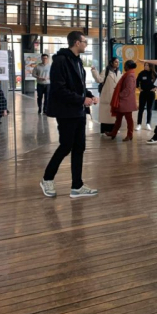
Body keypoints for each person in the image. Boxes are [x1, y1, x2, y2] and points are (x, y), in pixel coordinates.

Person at [41, 31, 99, 199]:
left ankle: (77, 185)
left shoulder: (77, 61)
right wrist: (82, 100)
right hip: (66, 111)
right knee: (66, 146)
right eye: (84, 42)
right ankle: (47, 178)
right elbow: (59, 90)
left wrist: (88, 96)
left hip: (78, 111)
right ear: (76, 43)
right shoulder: (60, 61)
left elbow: (78, 86)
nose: (86, 44)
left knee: (79, 147)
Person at [106, 60, 138, 141]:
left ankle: (130, 135)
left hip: (126, 101)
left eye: (125, 65)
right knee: (119, 118)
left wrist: (119, 95)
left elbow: (128, 89)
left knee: (128, 119)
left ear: (127, 66)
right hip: (124, 101)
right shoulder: (129, 74)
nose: (124, 67)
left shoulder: (130, 75)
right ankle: (114, 133)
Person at [91, 58, 122, 135]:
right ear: (111, 62)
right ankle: (105, 130)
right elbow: (99, 79)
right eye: (115, 62)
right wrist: (94, 71)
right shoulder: (106, 71)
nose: (117, 63)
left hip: (116, 96)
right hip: (107, 95)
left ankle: (114, 130)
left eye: (118, 62)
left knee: (114, 115)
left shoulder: (119, 71)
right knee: (107, 115)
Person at [136, 62, 157, 131]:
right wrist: (139, 88)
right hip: (143, 93)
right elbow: (137, 81)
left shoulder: (154, 74)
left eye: (147, 65)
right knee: (141, 109)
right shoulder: (141, 73)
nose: (145, 66)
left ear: (150, 66)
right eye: (145, 65)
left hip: (151, 93)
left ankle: (148, 123)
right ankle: (139, 124)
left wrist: (156, 88)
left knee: (149, 109)